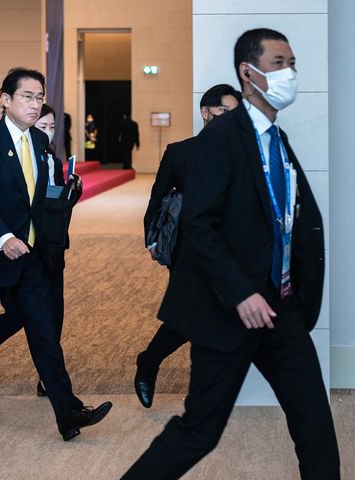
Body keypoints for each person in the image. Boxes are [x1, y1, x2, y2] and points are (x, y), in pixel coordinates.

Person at [122, 28, 340, 479]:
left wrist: (292, 295)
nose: (291, 73)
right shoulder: (221, 137)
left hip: (281, 310)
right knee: (200, 431)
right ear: (249, 71)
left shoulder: (276, 140)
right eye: (280, 63)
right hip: (230, 311)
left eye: (293, 63)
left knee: (315, 422)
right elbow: (198, 224)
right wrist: (241, 293)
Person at [0, 68, 111, 441]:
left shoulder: (39, 142)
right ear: (5, 99)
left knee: (45, 335)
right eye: (27, 97)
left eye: (39, 97)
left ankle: (68, 413)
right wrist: (4, 237)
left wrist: (66, 197)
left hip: (30, 257)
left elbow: (38, 201)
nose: (35, 105)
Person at [134, 83, 241, 409]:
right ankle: (150, 362)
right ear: (206, 112)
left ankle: (150, 361)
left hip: (232, 250)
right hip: (190, 249)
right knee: (193, 314)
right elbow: (158, 199)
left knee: (219, 316)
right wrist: (152, 239)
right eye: (225, 111)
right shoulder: (181, 152)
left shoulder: (246, 153)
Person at [0, 103, 83, 397]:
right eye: (40, 127)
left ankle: (51, 382)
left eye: (51, 127)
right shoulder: (1, 152)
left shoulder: (52, 161)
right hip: (9, 247)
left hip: (50, 248)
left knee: (52, 313)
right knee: (19, 313)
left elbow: (55, 210)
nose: (46, 133)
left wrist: (71, 193)